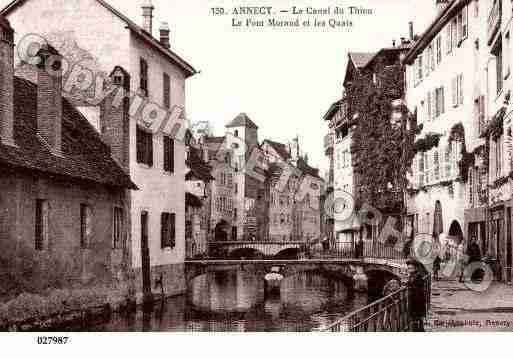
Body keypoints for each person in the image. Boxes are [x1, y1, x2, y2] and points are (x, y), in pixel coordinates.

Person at [406, 258, 427, 332]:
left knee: (416, 320)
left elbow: (416, 288)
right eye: (408, 268)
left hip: (417, 302)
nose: (409, 269)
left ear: (415, 268)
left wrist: (409, 286)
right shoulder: (413, 275)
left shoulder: (418, 276)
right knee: (416, 320)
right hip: (415, 301)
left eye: (411, 268)